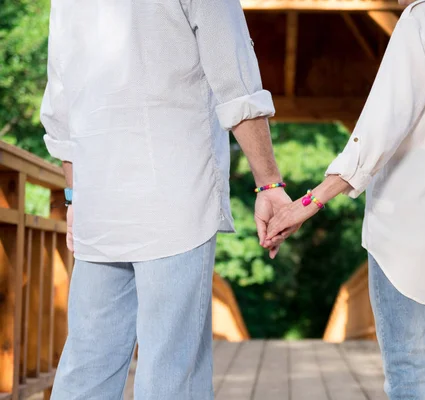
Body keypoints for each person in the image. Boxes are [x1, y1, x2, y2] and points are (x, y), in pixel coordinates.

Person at [265, 0, 425, 398]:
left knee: (411, 379)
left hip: (407, 238)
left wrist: (308, 204)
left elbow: (378, 130)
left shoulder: (424, 20)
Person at [40, 0, 291, 398]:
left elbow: (61, 107)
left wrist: (74, 199)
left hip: (101, 204)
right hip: (175, 199)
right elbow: (235, 81)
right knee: (172, 372)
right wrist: (269, 184)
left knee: (88, 365)